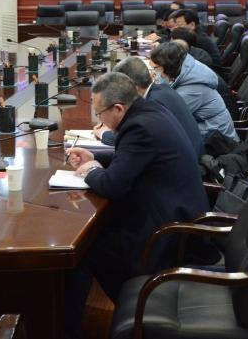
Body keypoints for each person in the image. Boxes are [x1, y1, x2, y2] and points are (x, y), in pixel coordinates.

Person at [63, 72, 207, 338]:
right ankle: (131, 307)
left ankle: (135, 310)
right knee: (97, 237)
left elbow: (112, 185)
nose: (99, 120)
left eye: (100, 114)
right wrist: (96, 158)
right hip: (177, 213)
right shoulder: (148, 111)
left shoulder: (138, 127)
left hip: (167, 233)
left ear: (118, 108)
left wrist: (90, 170)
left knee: (83, 254)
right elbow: (132, 160)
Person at [101, 56, 203, 157]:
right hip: (191, 155)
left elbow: (135, 138)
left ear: (132, 86)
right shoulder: (163, 90)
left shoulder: (153, 103)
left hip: (184, 162)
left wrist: (103, 133)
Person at [150, 41, 237, 145]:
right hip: (206, 132)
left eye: (156, 68)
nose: (154, 73)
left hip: (218, 143)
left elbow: (166, 120)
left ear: (168, 66)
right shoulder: (186, 71)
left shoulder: (193, 90)